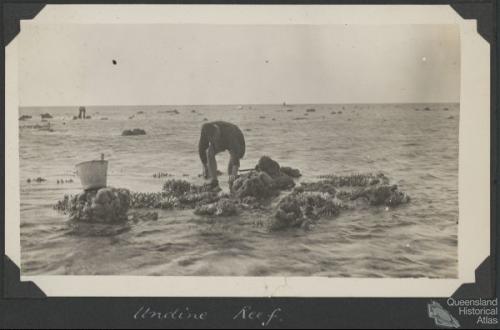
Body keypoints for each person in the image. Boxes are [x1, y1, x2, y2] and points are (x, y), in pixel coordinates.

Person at [198, 121, 245, 190]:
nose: (216, 141)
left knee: (230, 170)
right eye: (213, 140)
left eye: (216, 137)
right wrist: (205, 166)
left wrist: (233, 175)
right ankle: (214, 181)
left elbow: (236, 159)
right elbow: (202, 148)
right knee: (209, 152)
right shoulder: (205, 130)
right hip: (222, 141)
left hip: (238, 139)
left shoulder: (231, 133)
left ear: (217, 131)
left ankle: (232, 183)